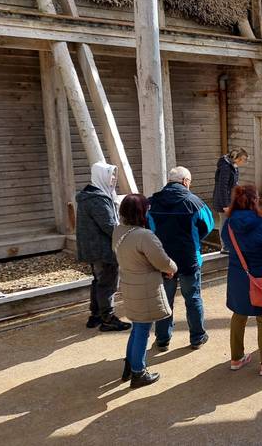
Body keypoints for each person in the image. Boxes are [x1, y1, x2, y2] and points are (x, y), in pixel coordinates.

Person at [114, 194, 178, 388]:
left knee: (137, 327)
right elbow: (163, 261)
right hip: (145, 289)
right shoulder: (144, 236)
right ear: (141, 212)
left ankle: (130, 364)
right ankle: (138, 372)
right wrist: (172, 269)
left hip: (129, 284)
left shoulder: (118, 231)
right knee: (142, 330)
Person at [149, 166, 214, 351]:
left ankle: (162, 339)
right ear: (185, 181)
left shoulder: (152, 203)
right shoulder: (195, 202)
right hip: (188, 259)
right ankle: (197, 337)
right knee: (193, 298)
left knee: (164, 300)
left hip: (162, 260)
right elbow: (208, 226)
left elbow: (149, 230)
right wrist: (194, 239)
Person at [221, 185, 262, 376]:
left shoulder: (229, 224)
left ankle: (236, 358)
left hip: (238, 276)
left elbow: (227, 243)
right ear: (255, 200)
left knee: (238, 314)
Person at [76, 162, 130, 332]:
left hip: (92, 248)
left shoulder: (88, 196)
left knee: (98, 281)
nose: (113, 178)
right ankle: (108, 318)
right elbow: (109, 226)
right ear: (101, 176)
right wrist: (127, 234)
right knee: (108, 282)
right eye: (111, 175)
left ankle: (96, 315)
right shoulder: (98, 199)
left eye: (114, 174)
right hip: (103, 249)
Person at [212, 148, 248, 253]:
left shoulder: (233, 166)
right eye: (244, 159)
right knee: (224, 223)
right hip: (224, 201)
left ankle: (232, 244)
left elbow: (233, 182)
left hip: (231, 199)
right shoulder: (225, 168)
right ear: (236, 158)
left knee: (231, 223)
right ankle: (225, 247)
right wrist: (225, 205)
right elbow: (222, 187)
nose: (245, 162)